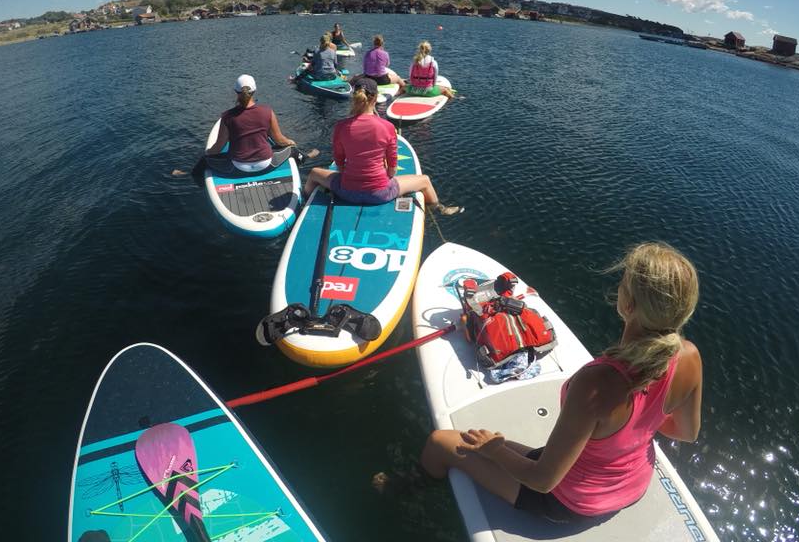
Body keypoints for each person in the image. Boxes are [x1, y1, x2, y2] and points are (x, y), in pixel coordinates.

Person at [421, 242, 704, 524]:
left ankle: (414, 488)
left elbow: (542, 480)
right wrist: (641, 422)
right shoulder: (690, 357)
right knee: (486, 443)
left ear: (628, 304)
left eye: (623, 282)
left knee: (440, 443)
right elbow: (686, 432)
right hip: (635, 485)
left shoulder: (596, 383)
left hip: (572, 501)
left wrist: (494, 451)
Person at [302, 77, 462, 214]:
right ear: (375, 98)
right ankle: (440, 209)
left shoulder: (341, 127)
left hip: (347, 191)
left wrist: (349, 178)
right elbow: (392, 168)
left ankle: (305, 205)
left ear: (355, 97)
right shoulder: (387, 127)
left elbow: (339, 162)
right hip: (380, 194)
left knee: (314, 173)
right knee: (425, 181)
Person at [206, 74, 315, 173]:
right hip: (266, 164)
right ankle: (304, 158)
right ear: (254, 91)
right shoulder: (267, 112)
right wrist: (291, 142)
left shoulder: (227, 116)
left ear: (236, 92)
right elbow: (279, 140)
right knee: (292, 149)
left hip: (237, 165)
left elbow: (219, 147)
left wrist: (208, 153)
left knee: (204, 161)